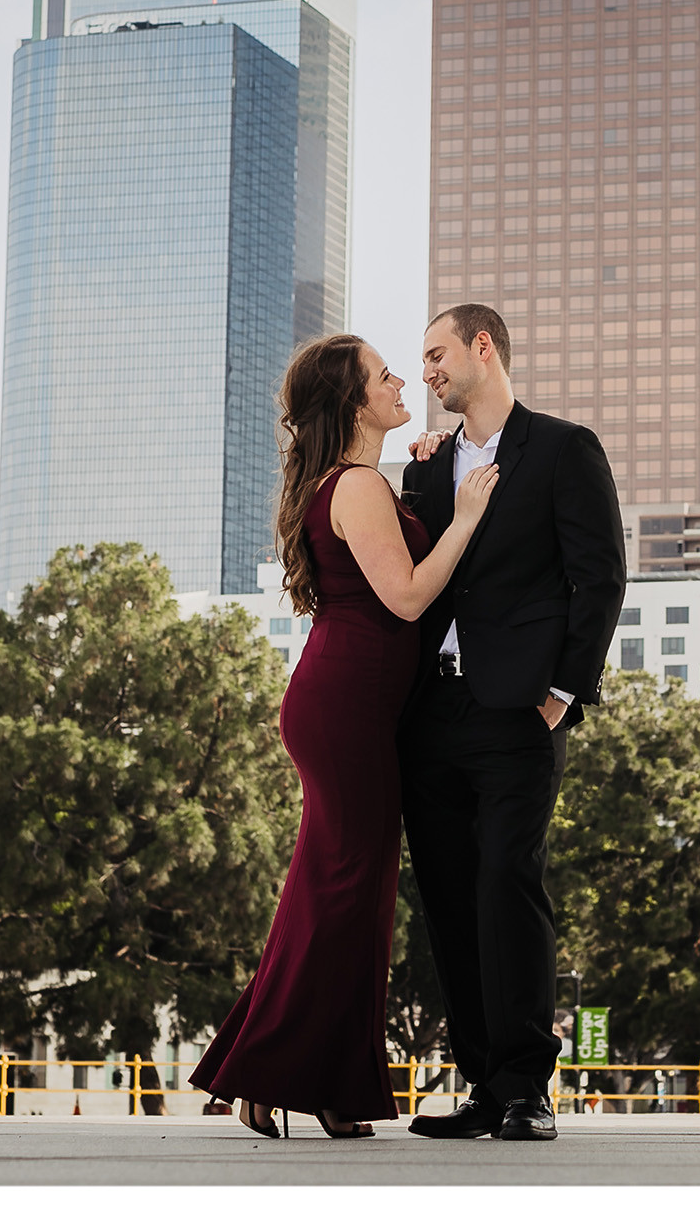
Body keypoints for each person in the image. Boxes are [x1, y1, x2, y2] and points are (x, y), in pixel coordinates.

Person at [192, 333, 499, 1140]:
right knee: (345, 892)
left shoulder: (363, 481)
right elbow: (404, 598)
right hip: (346, 708)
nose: (403, 381)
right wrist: (465, 517)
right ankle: (287, 1074)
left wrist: (431, 476)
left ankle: (301, 1078)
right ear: (353, 401)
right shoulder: (356, 482)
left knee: (338, 893)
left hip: (351, 705)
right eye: (384, 375)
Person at [398, 303, 624, 1143]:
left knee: (507, 883)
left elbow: (599, 579)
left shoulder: (565, 449)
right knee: (449, 900)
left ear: (480, 347)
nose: (424, 370)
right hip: (432, 714)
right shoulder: (424, 469)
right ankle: (485, 1086)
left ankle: (528, 1086)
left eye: (434, 354)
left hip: (520, 711)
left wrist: (564, 692)